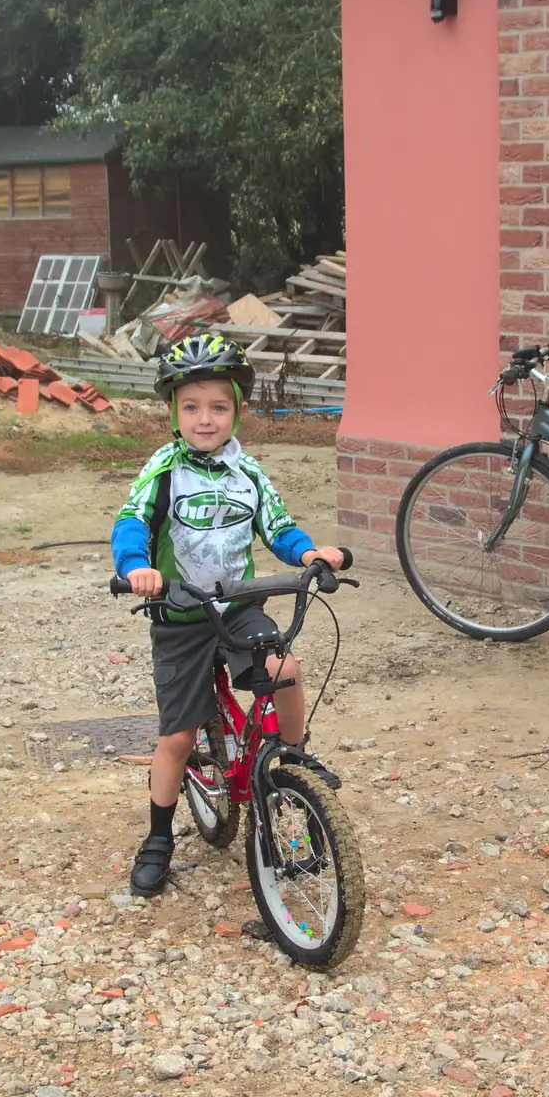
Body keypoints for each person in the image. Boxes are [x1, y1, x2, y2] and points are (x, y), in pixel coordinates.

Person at [110, 333, 345, 897]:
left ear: (236, 410)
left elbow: (280, 527)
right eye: (191, 407)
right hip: (181, 615)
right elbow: (131, 520)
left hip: (237, 606)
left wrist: (309, 554)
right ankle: (159, 836)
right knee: (179, 736)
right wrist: (136, 565)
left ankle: (292, 759)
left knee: (284, 670)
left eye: (218, 407)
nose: (205, 418)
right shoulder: (163, 470)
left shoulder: (249, 473)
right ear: (174, 412)